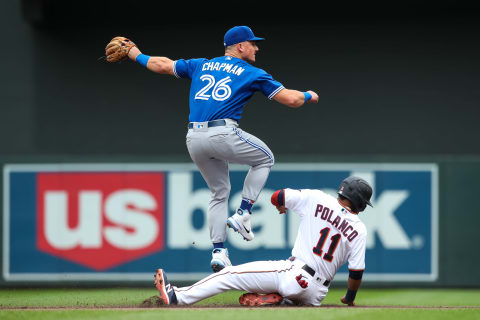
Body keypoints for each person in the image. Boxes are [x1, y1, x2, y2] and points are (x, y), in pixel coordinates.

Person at [125, 26, 319, 272]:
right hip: (222, 132)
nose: (256, 47)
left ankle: (218, 252)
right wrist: (309, 95)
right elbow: (292, 99)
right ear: (240, 46)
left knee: (219, 192)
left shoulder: (200, 64)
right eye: (252, 43)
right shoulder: (252, 72)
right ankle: (243, 213)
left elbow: (161, 64)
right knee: (265, 159)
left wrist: (135, 54)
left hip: (193, 137)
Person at [151, 176, 373, 306]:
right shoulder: (359, 229)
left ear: (342, 192)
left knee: (228, 274)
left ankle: (177, 297)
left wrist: (281, 206)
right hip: (317, 292)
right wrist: (349, 298)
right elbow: (356, 272)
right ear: (361, 204)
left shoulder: (318, 198)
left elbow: (277, 195)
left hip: (294, 273)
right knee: (296, 302)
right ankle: (279, 301)